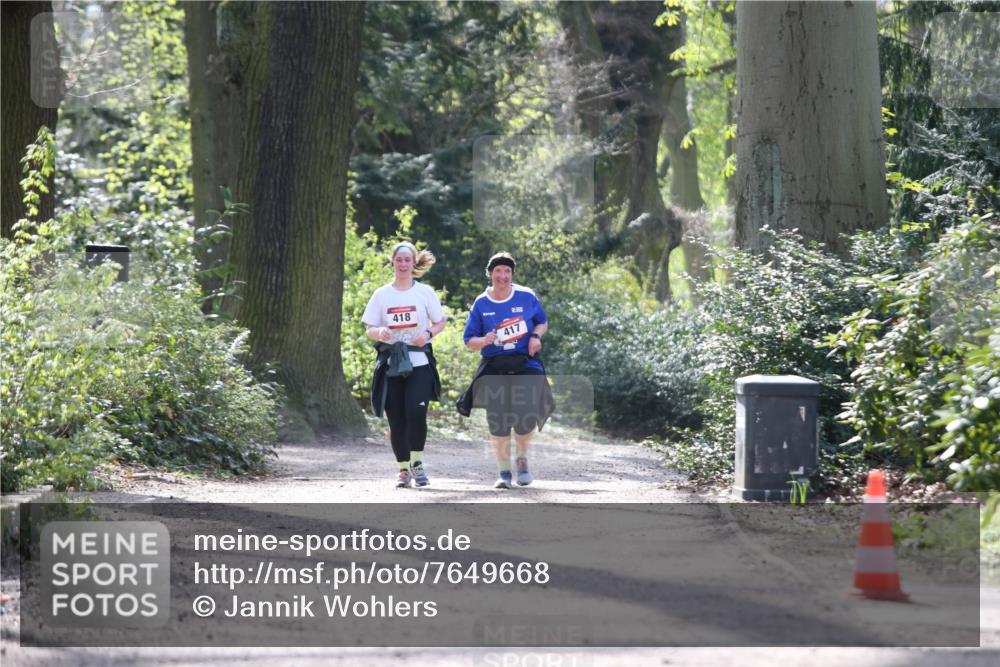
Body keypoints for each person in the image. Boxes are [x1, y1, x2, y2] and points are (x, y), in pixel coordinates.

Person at [459, 252, 554, 489]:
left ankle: (521, 460)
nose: (503, 276)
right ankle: (503, 473)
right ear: (490, 274)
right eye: (498, 271)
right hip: (495, 365)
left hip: (526, 361)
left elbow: (542, 321)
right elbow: (469, 341)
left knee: (526, 415)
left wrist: (535, 336)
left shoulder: (526, 296)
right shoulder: (481, 303)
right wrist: (484, 340)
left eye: (507, 271)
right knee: (498, 420)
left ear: (512, 274)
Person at [363, 241, 447, 488]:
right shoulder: (381, 294)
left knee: (416, 412)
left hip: (419, 360)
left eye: (407, 260)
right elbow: (369, 329)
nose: (402, 264)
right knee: (396, 419)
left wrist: (428, 335)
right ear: (393, 262)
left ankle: (417, 463)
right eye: (398, 260)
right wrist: (379, 332)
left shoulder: (425, 292)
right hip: (392, 363)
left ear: (413, 263)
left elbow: (440, 322)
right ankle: (402, 470)